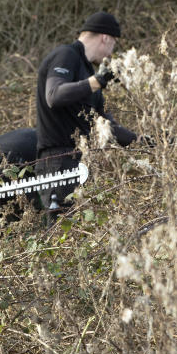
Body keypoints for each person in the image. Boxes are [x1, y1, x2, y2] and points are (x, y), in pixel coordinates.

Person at [34, 11, 138, 213]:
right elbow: (54, 95)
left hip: (79, 161)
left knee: (77, 233)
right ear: (105, 38)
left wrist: (145, 140)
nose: (110, 53)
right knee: (60, 230)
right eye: (113, 45)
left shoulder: (88, 72)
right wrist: (98, 81)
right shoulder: (66, 55)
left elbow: (108, 127)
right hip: (56, 162)